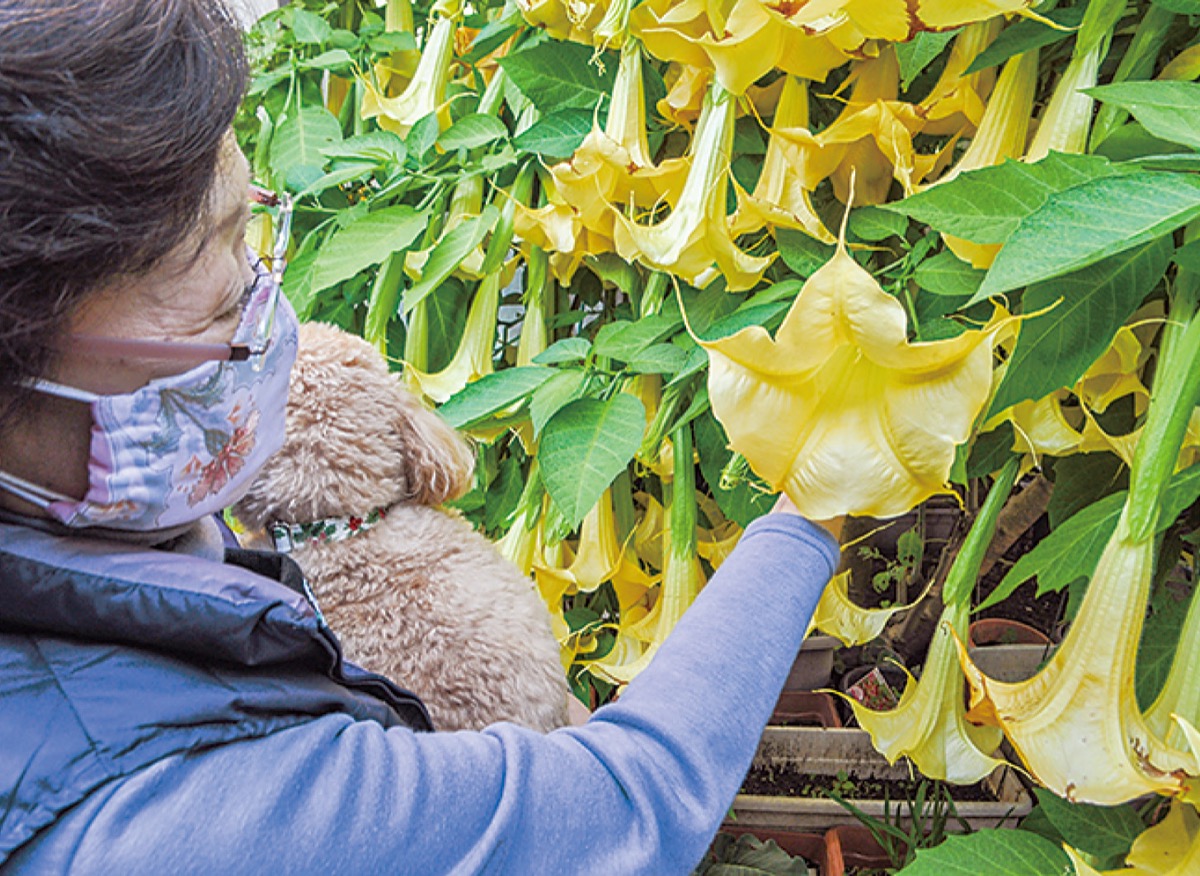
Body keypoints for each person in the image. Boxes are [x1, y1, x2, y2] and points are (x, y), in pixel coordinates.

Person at [0, 1, 842, 872]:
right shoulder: (164, 820)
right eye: (217, 290)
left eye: (253, 232)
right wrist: (815, 509)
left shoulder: (101, 549)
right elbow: (629, 803)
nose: (263, 312)